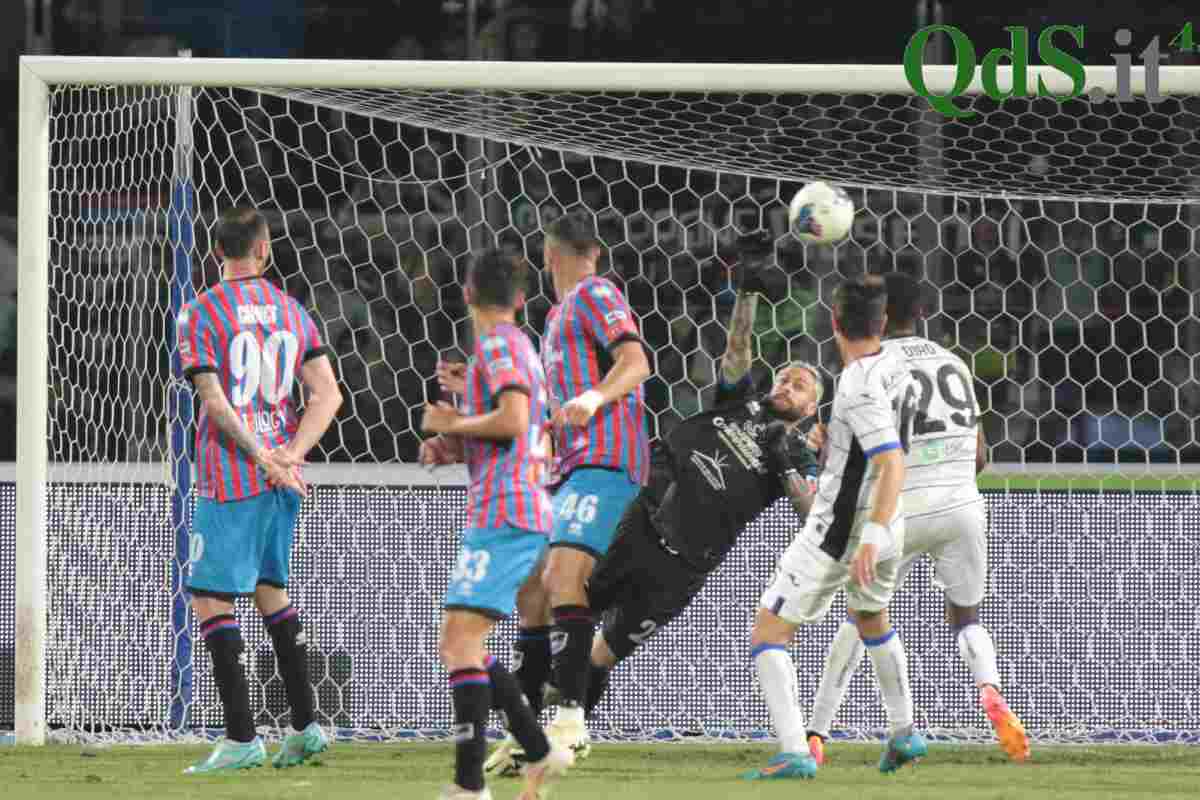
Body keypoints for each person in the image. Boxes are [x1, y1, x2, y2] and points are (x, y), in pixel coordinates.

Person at [574, 231, 823, 720]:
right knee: (576, 612)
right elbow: (736, 351)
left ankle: (569, 729)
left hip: (682, 568)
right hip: (641, 524)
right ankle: (528, 706)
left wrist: (786, 461)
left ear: (813, 409)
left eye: (801, 385)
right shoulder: (743, 404)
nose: (787, 383)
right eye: (784, 377)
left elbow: (811, 513)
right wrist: (747, 294)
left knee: (604, 653)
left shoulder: (795, 450)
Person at [802, 271, 1029, 765]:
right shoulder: (954, 362)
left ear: (879, 320)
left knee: (863, 617)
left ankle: (817, 733)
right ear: (922, 314)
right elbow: (980, 456)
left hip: (901, 508)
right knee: (966, 616)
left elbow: (860, 457)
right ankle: (989, 687)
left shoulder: (874, 366)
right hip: (963, 505)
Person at [176, 206, 342, 773]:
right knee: (272, 590)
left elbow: (215, 401)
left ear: (216, 251)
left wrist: (259, 455)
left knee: (211, 597)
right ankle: (305, 726)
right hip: (283, 478)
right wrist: (289, 456)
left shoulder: (201, 312)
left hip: (234, 474)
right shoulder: (292, 310)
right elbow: (328, 396)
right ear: (264, 250)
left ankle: (243, 737)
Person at [744, 274, 926, 781]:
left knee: (769, 633)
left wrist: (868, 533)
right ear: (883, 322)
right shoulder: (896, 365)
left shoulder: (858, 383)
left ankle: (794, 751)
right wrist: (837, 445)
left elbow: (891, 461)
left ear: (833, 322)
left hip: (845, 530)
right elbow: (878, 450)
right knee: (873, 618)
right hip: (894, 525)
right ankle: (904, 732)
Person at [419, 248, 574, 800]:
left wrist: (453, 419)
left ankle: (468, 788)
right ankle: (537, 749)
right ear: (522, 298)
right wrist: (454, 441)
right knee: (463, 641)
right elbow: (513, 427)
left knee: (460, 642)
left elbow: (513, 421)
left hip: (507, 510)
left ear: (465, 294)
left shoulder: (500, 345)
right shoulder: (519, 347)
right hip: (513, 505)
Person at [536, 211, 652, 756]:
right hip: (575, 467)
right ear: (597, 250)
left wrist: (593, 398)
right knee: (544, 585)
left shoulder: (593, 293)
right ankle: (547, 710)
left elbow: (636, 362)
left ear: (547, 256)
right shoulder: (557, 317)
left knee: (563, 577)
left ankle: (568, 720)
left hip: (607, 460)